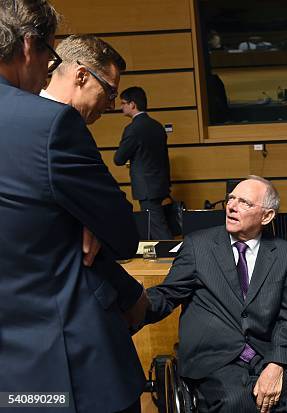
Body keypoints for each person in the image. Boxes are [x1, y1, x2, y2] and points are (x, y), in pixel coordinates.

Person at [0, 2, 145, 412]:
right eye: (49, 53)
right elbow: (124, 236)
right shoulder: (48, 123)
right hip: (66, 361)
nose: (49, 65)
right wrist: (92, 220)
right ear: (29, 44)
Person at [145, 176, 287, 413]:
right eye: (231, 198)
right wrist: (133, 305)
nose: (231, 206)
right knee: (237, 400)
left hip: (266, 353)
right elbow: (167, 294)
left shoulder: (285, 255)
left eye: (244, 202)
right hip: (215, 357)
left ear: (267, 216)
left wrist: (276, 364)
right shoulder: (198, 246)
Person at [42, 33, 150, 327]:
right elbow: (124, 233)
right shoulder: (63, 125)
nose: (112, 105)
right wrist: (93, 221)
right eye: (110, 92)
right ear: (81, 76)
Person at [114, 86, 173, 240]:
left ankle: (172, 259)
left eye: (123, 103)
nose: (121, 107)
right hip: (161, 183)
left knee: (158, 227)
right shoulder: (157, 126)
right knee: (158, 223)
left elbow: (119, 159)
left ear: (132, 104)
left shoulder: (133, 129)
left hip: (146, 186)